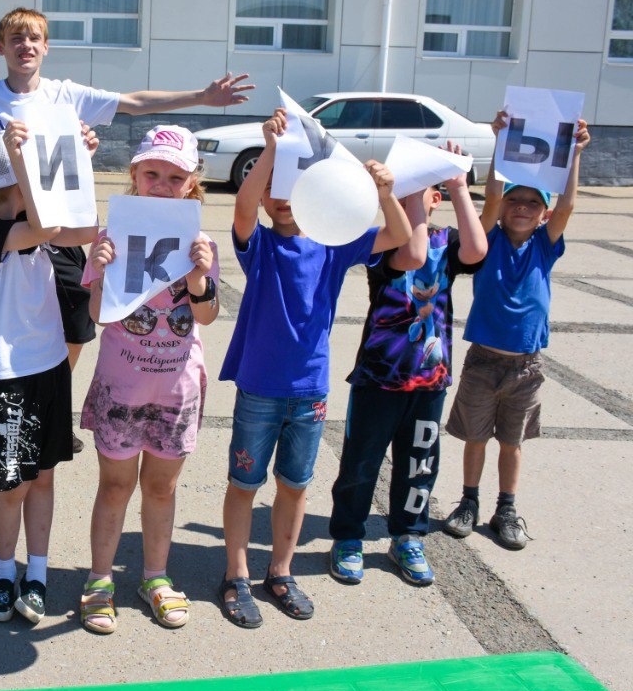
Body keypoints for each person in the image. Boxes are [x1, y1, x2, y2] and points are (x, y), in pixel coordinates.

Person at [0, 7, 252, 452]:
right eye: (16, 39)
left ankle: (50, 405)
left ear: (46, 47)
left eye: (35, 38)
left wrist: (202, 97)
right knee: (6, 332)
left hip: (67, 230)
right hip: (9, 236)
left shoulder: (65, 96)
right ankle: (17, 416)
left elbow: (134, 102)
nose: (26, 46)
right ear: (1, 47)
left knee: (76, 329)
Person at [217, 107, 411, 628]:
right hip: (259, 388)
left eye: (295, 185)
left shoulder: (332, 246)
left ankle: (280, 572)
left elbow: (398, 237)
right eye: (276, 187)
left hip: (310, 391)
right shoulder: (259, 245)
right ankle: (235, 575)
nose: (282, 198)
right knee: (244, 483)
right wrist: (272, 151)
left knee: (296, 486)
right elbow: (241, 207)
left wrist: (384, 192)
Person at [77, 126, 221, 634]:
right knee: (114, 486)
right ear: (135, 176)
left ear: (191, 183)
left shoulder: (201, 242)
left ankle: (155, 577)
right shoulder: (112, 238)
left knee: (162, 489)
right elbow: (96, 314)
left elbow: (206, 317)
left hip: (176, 389)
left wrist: (201, 280)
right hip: (123, 387)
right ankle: (99, 580)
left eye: (174, 176)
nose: (162, 183)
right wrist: (97, 266)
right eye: (152, 173)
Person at [328, 150, 487, 587]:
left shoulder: (447, 242)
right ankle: (347, 537)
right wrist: (404, 193)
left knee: (419, 464)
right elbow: (413, 255)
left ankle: (407, 535)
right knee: (361, 463)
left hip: (430, 379)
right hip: (379, 377)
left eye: (425, 192)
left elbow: (477, 249)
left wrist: (457, 186)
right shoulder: (382, 244)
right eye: (408, 193)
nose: (418, 198)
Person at [0, 122, 99, 625]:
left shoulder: (37, 222)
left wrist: (77, 163)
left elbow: (86, 227)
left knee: (42, 479)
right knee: (12, 486)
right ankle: (3, 571)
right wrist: (25, 167)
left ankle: (36, 574)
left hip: (49, 368)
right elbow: (40, 230)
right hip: (8, 377)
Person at [442, 111, 589, 550]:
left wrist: (575, 155)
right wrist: (502, 146)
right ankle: (468, 501)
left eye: (533, 203)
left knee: (512, 440)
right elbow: (488, 201)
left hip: (526, 365)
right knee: (475, 437)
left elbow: (568, 205)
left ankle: (506, 508)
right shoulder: (488, 241)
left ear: (543, 215)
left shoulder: (546, 246)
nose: (522, 207)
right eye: (515, 200)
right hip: (484, 360)